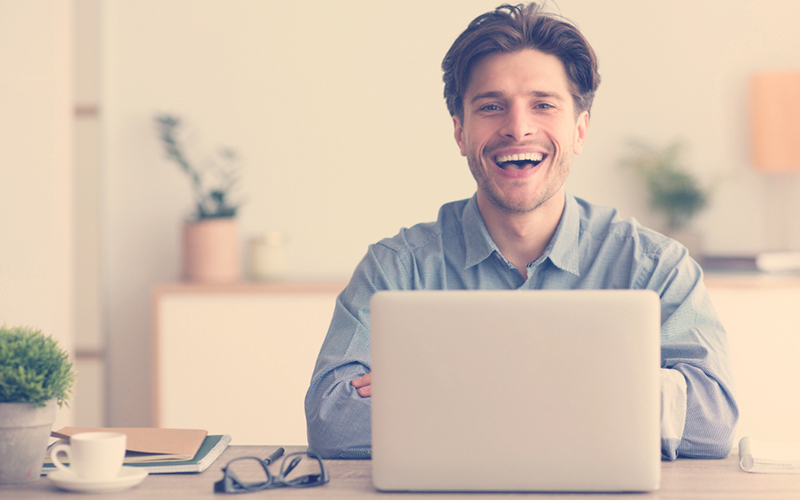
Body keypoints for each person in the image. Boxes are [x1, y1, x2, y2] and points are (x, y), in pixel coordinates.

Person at [304, 2, 738, 460]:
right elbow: (333, 420)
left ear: (579, 131)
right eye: (491, 107)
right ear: (460, 133)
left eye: (543, 105)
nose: (518, 127)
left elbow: (709, 422)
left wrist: (451, 385)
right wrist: (606, 390)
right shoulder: (396, 267)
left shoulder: (656, 267)